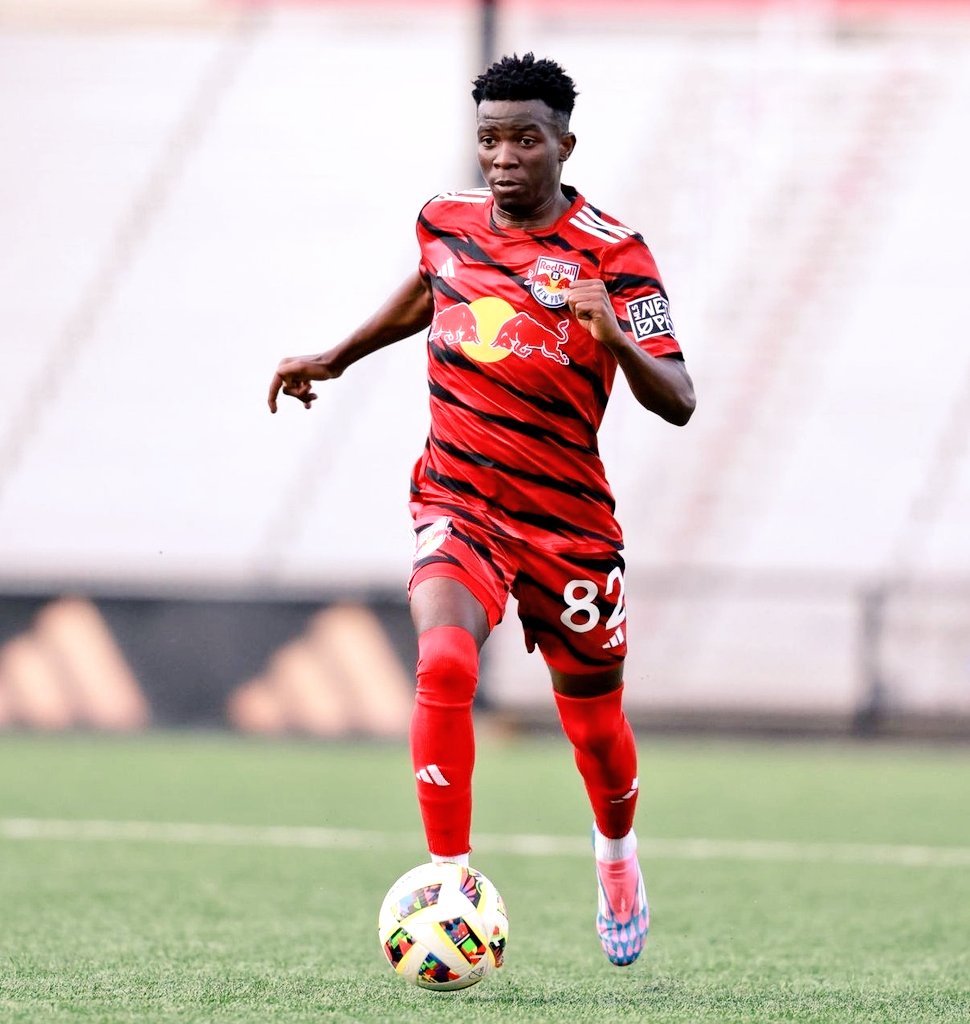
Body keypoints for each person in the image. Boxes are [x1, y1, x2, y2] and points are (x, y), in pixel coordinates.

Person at [268, 52, 695, 968]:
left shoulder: (614, 254)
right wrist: (336, 356)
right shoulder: (444, 220)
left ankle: (616, 854)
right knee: (445, 656)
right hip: (458, 498)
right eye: (490, 139)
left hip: (569, 525)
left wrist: (614, 337)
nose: (503, 158)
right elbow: (429, 289)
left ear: (564, 145)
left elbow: (680, 399)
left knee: (596, 734)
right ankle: (449, 880)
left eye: (524, 140)